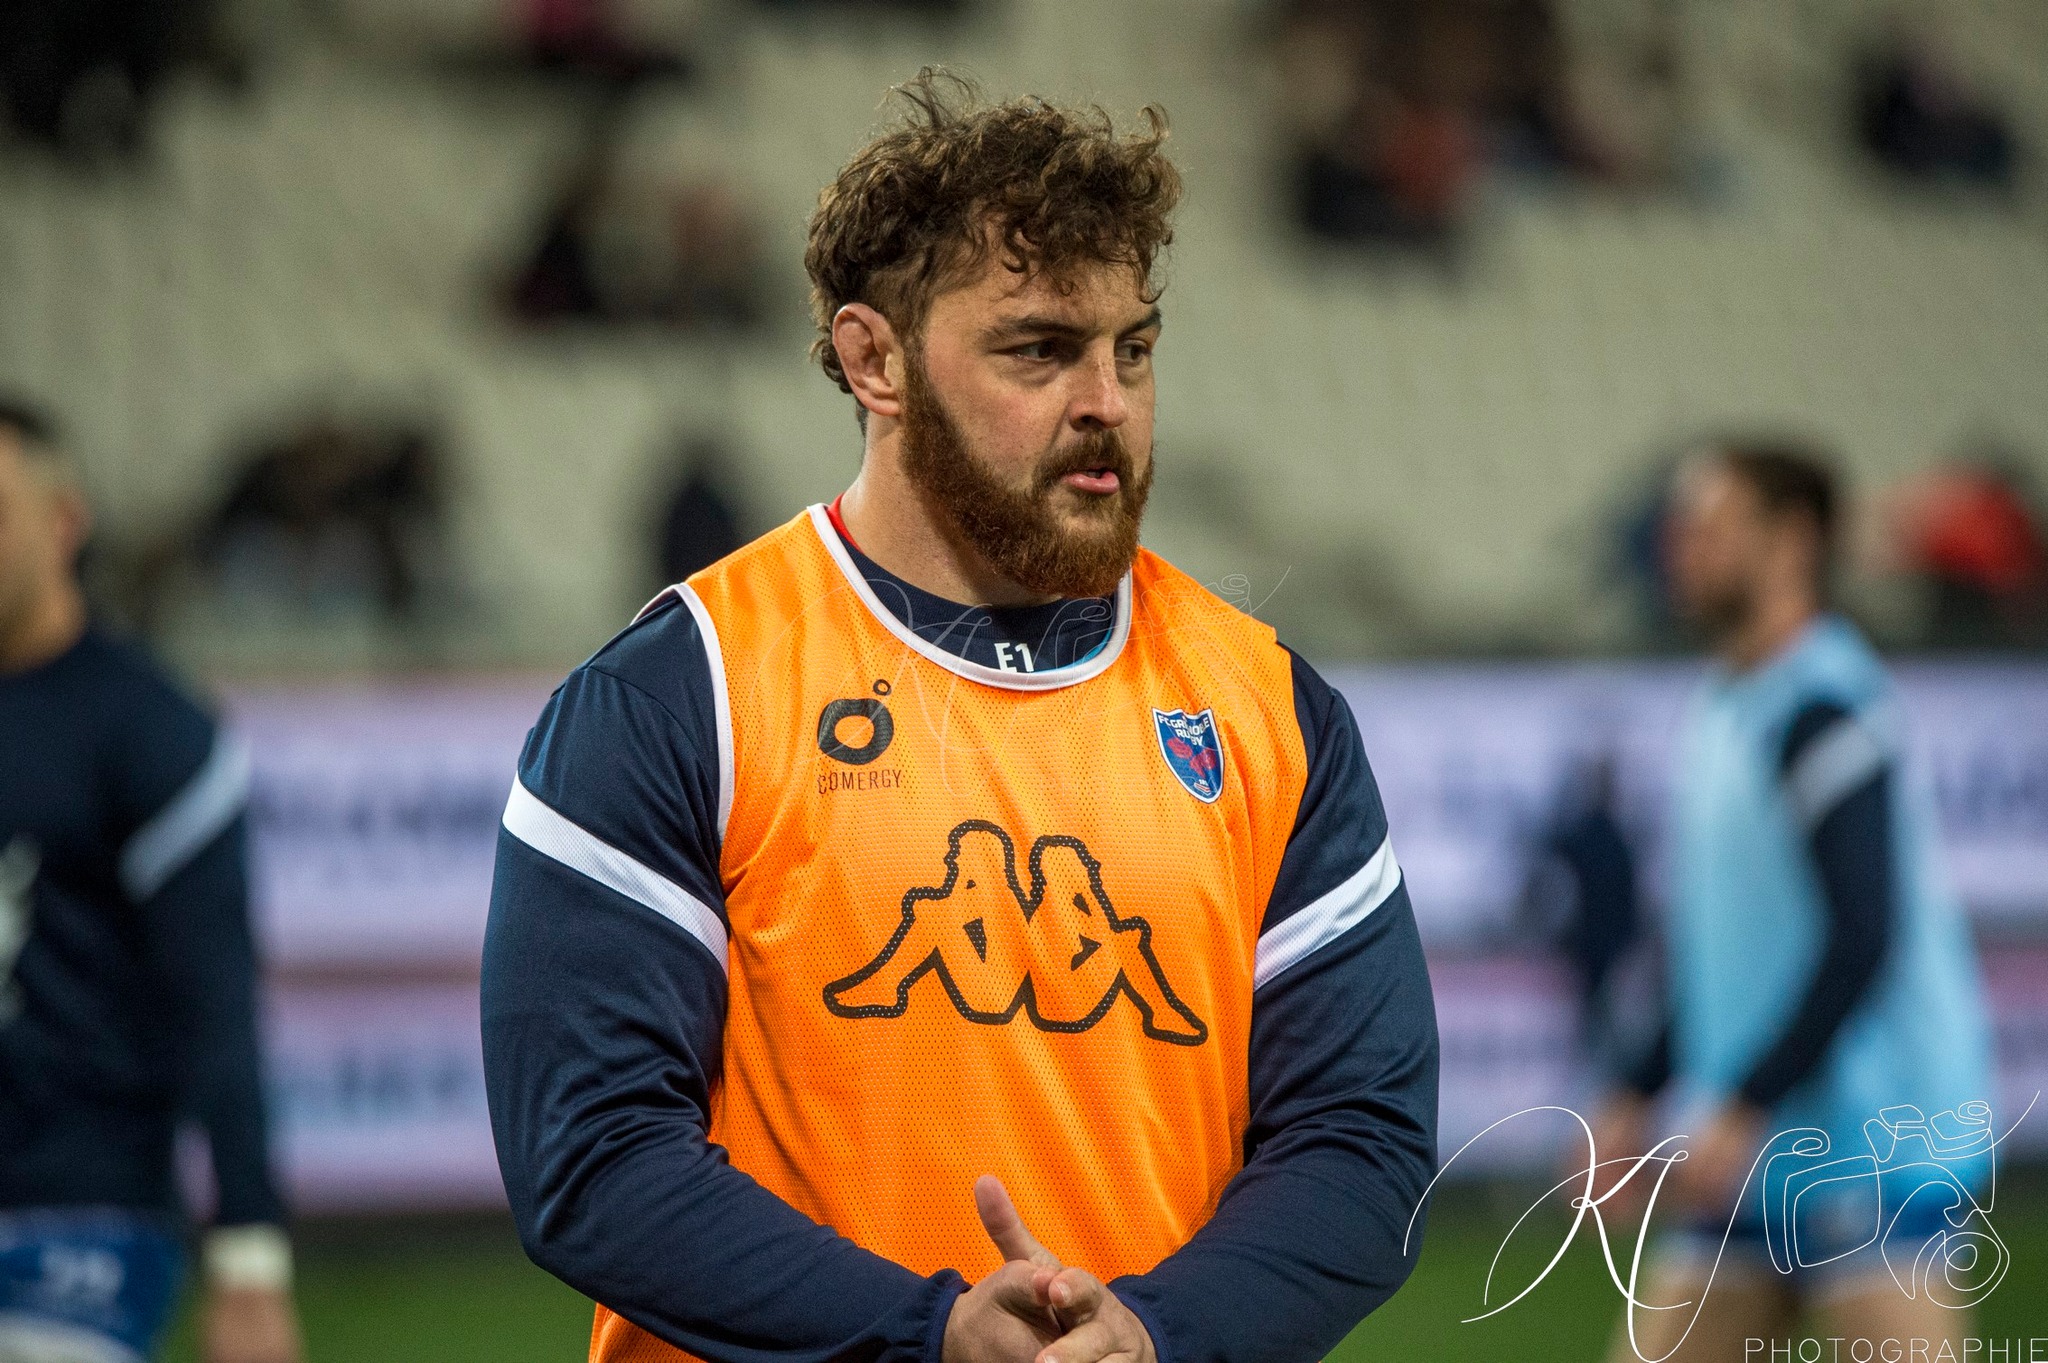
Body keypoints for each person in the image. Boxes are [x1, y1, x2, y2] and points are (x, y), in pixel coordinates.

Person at [482, 73, 1440, 1363]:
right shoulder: (678, 692)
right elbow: (589, 1154)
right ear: (874, 359)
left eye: (1133, 348)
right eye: (1039, 349)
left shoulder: (1268, 708)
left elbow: (1362, 1136)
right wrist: (919, 1332)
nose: (1105, 398)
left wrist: (1157, 1334)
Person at [1591, 442, 1994, 1362]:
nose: (1682, 548)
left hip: (1873, 1144)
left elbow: (1862, 935)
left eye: (1712, 527)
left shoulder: (1825, 708)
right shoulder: (1723, 705)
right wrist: (1637, 1085)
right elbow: (1719, 944)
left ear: (1792, 540)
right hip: (1758, 1154)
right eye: (1681, 529)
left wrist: (1739, 1100)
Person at [0, 400, 300, 1363]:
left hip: (81, 1209)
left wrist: (250, 1261)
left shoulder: (149, 730)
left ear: (65, 521)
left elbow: (216, 1001)